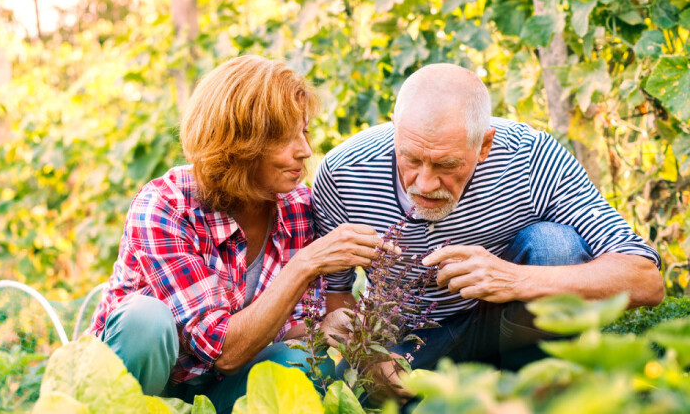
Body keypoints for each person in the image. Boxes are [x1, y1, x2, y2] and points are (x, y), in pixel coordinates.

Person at [314, 63, 664, 399]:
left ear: (484, 145)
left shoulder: (532, 158)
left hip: (509, 327)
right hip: (409, 345)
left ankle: (535, 396)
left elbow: (645, 279)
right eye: (410, 158)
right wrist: (368, 357)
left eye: (446, 165)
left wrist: (511, 280)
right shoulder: (343, 173)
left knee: (555, 247)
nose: (424, 182)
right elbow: (336, 297)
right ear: (395, 129)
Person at [86, 55, 385, 412]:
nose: (304, 151)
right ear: (238, 143)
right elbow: (222, 350)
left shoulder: (299, 209)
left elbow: (280, 332)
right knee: (145, 319)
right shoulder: (166, 207)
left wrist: (322, 328)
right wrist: (306, 263)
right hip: (143, 389)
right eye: (284, 138)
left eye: (303, 132)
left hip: (220, 390)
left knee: (303, 361)